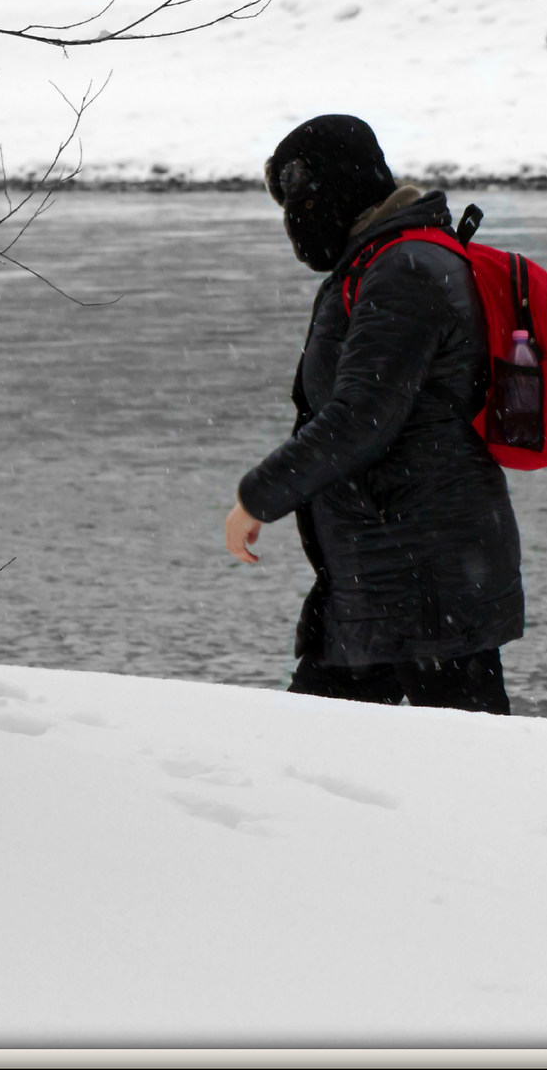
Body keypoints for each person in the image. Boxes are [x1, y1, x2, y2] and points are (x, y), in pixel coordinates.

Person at [223, 114, 523, 712]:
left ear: (335, 189)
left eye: (301, 202)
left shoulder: (404, 269)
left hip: (425, 580)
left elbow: (361, 418)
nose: (295, 221)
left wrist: (258, 498)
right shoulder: (382, 260)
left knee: (471, 759)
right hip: (381, 574)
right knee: (314, 750)